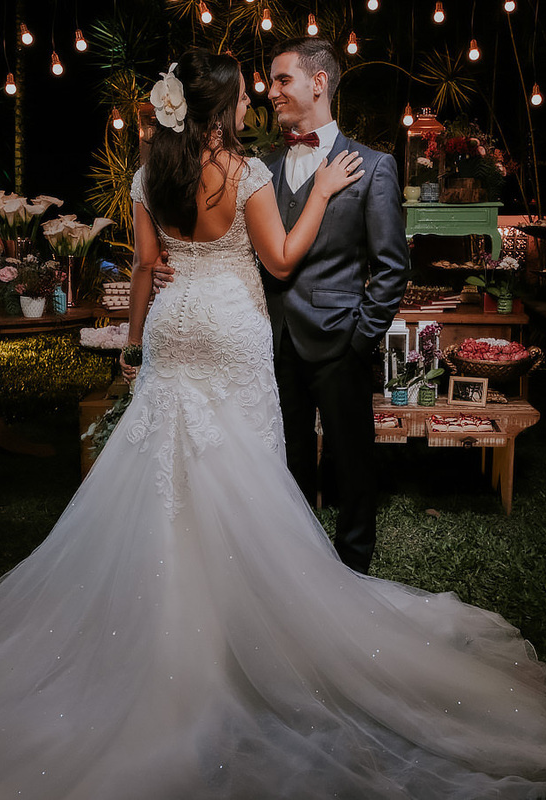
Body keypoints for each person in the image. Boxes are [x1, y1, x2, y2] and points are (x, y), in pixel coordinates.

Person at [0, 49, 546, 800]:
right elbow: (280, 260)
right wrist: (317, 192)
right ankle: (248, 639)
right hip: (236, 326)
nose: (255, 102)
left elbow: (142, 270)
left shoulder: (149, 174)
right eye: (247, 93)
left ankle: (164, 633)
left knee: (165, 472)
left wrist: (134, 349)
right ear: (222, 108)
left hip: (174, 330)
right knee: (244, 470)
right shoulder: (246, 173)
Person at [155, 37, 410, 575]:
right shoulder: (255, 169)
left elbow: (391, 269)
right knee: (282, 470)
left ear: (318, 82)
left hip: (341, 341)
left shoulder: (374, 166)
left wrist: (359, 338)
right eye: (268, 84)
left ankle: (353, 574)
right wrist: (169, 265)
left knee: (353, 467)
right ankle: (297, 577)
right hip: (267, 344)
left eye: (281, 80)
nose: (271, 93)